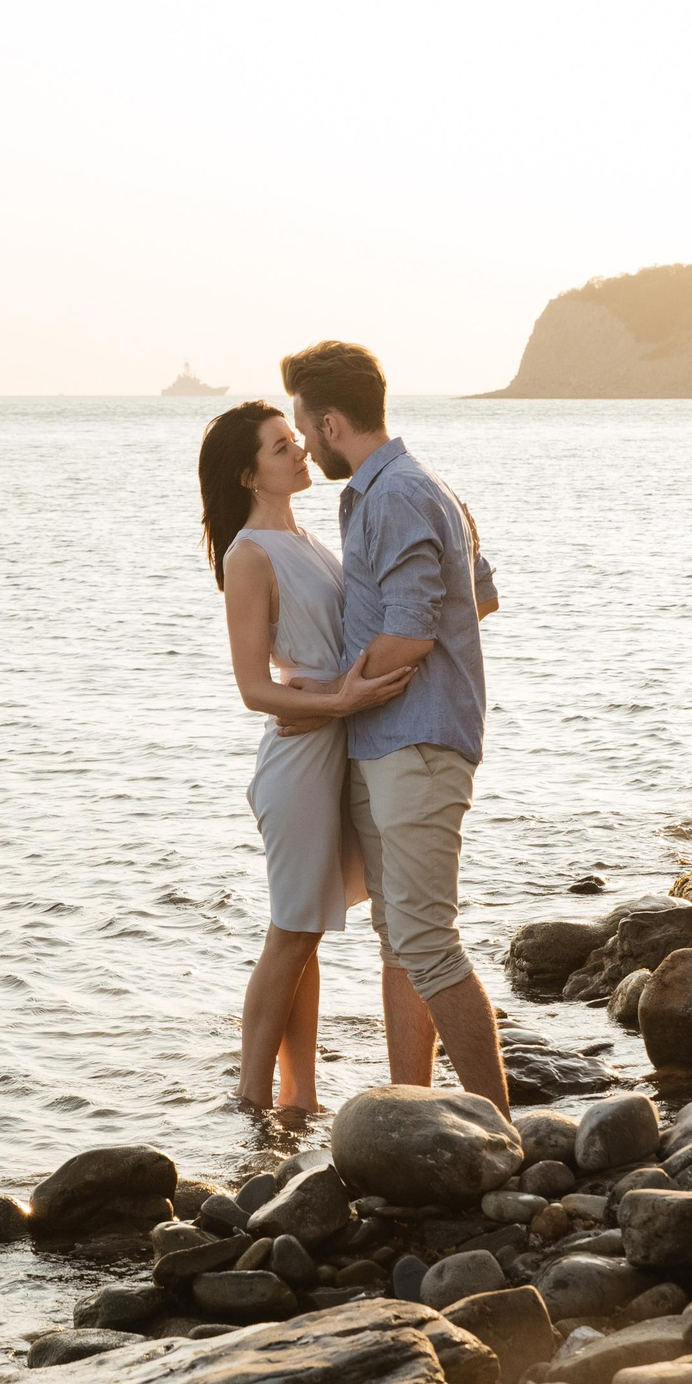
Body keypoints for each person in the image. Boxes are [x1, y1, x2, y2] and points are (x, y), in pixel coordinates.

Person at [278, 341, 509, 1115]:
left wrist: (332, 691)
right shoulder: (398, 490)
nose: (304, 443)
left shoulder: (397, 494)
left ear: (332, 420)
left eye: (306, 429)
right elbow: (474, 601)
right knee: (399, 940)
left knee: (427, 943)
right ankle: (413, 1113)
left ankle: (496, 1130)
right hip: (385, 741)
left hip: (416, 743)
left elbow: (412, 630)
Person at [197, 401, 415, 1112]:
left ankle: (299, 1097)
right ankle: (250, 1098)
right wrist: (336, 704)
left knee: (306, 929)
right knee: (291, 929)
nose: (299, 454)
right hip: (298, 761)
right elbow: (253, 687)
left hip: (333, 746)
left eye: (294, 441)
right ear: (247, 473)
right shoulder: (250, 555)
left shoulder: (311, 540)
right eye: (280, 448)